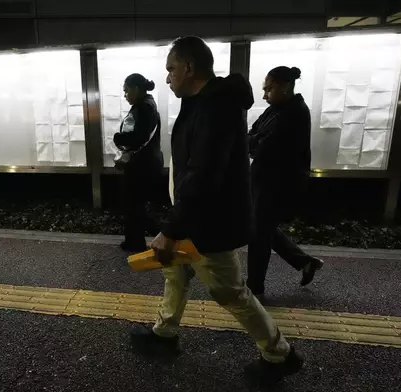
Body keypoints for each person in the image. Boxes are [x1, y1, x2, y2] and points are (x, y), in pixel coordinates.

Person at [130, 36, 303, 381]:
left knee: (230, 291)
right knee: (175, 273)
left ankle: (279, 354)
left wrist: (171, 229)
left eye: (171, 69)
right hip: (194, 216)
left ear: (189, 68)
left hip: (208, 223)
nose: (167, 78)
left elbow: (203, 175)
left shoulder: (214, 107)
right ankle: (164, 334)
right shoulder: (204, 102)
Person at [246, 66, 324, 300]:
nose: (264, 95)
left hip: (278, 184)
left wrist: (254, 142)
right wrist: (255, 141)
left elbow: (263, 146)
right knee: (262, 228)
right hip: (263, 179)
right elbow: (252, 134)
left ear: (284, 86)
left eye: (268, 89)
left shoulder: (296, 113)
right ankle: (304, 262)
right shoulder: (276, 110)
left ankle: (255, 289)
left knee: (259, 233)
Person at [113, 73, 163, 252]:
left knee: (133, 203)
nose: (125, 95)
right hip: (145, 163)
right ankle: (135, 239)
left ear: (136, 89)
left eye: (126, 91)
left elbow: (138, 137)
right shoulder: (147, 105)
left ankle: (135, 242)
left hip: (141, 165)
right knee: (136, 203)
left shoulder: (144, 107)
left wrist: (118, 138)